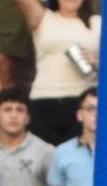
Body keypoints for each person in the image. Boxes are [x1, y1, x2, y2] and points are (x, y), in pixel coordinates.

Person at [9, 0, 97, 146]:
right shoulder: (44, 18)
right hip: (44, 101)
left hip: (83, 103)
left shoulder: (98, 23)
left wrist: (96, 63)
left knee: (78, 159)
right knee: (46, 160)